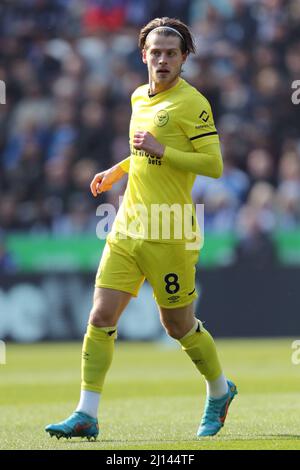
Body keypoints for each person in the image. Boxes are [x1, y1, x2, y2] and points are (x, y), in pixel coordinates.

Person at [45, 17, 237, 441]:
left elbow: (214, 164)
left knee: (178, 326)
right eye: (156, 52)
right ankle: (86, 413)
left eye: (171, 53)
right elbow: (143, 154)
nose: (163, 59)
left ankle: (220, 391)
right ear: (143, 55)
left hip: (171, 232)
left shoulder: (194, 103)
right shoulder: (137, 97)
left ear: (185, 57)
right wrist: (118, 168)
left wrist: (162, 149)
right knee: (100, 315)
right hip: (128, 227)